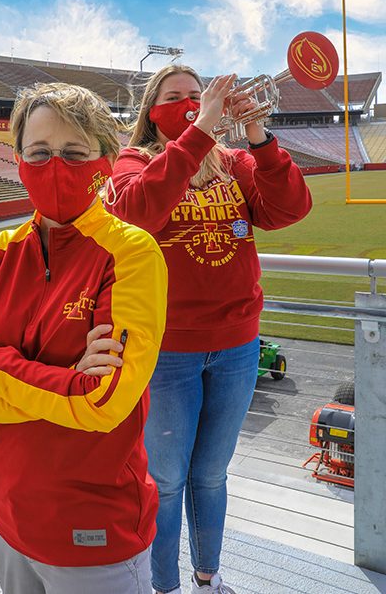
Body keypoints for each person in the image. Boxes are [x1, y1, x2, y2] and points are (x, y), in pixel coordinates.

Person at [0, 82, 168, 594]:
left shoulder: (131, 253)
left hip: (96, 529)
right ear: (19, 159)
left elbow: (104, 403)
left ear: (106, 161)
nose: (55, 167)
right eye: (40, 153)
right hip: (6, 513)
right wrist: (64, 381)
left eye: (73, 153)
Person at [105, 66, 312, 594]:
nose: (190, 103)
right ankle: (162, 584)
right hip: (169, 351)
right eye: (175, 98)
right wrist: (200, 133)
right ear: (152, 111)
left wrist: (258, 137)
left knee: (211, 475)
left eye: (198, 96)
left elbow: (289, 208)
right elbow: (131, 212)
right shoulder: (134, 161)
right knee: (168, 480)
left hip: (238, 346)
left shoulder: (234, 162)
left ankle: (207, 574)